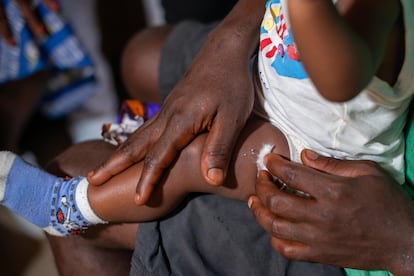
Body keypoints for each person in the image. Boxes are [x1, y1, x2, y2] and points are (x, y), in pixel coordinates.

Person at [2, 0, 413, 274]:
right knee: (144, 59)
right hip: (288, 101)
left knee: (194, 159)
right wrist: (232, 41)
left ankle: (67, 209)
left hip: (319, 157)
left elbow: (338, 81)